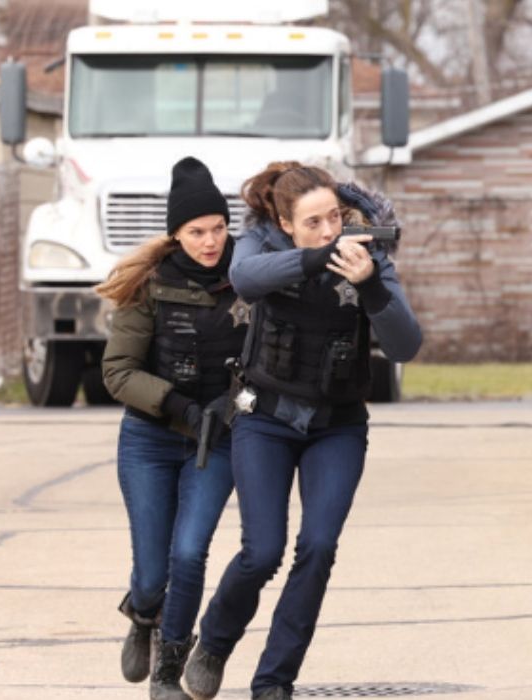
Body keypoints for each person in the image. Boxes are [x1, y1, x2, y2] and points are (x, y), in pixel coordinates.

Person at [182, 162, 423, 700]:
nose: (329, 231)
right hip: (265, 418)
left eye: (334, 217)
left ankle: (274, 681)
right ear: (286, 224)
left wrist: (369, 286)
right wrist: (317, 260)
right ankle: (215, 641)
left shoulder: (368, 252)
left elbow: (407, 345)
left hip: (336, 426)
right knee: (262, 551)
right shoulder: (259, 244)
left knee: (317, 547)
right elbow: (245, 279)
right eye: (313, 222)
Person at [98, 156, 245, 700]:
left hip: (219, 439)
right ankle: (142, 614)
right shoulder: (149, 285)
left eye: (218, 228)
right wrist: (176, 406)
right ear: (176, 233)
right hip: (151, 439)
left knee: (190, 553)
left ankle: (168, 671)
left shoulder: (248, 277)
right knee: (152, 573)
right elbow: (117, 372)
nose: (210, 241)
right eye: (196, 231)